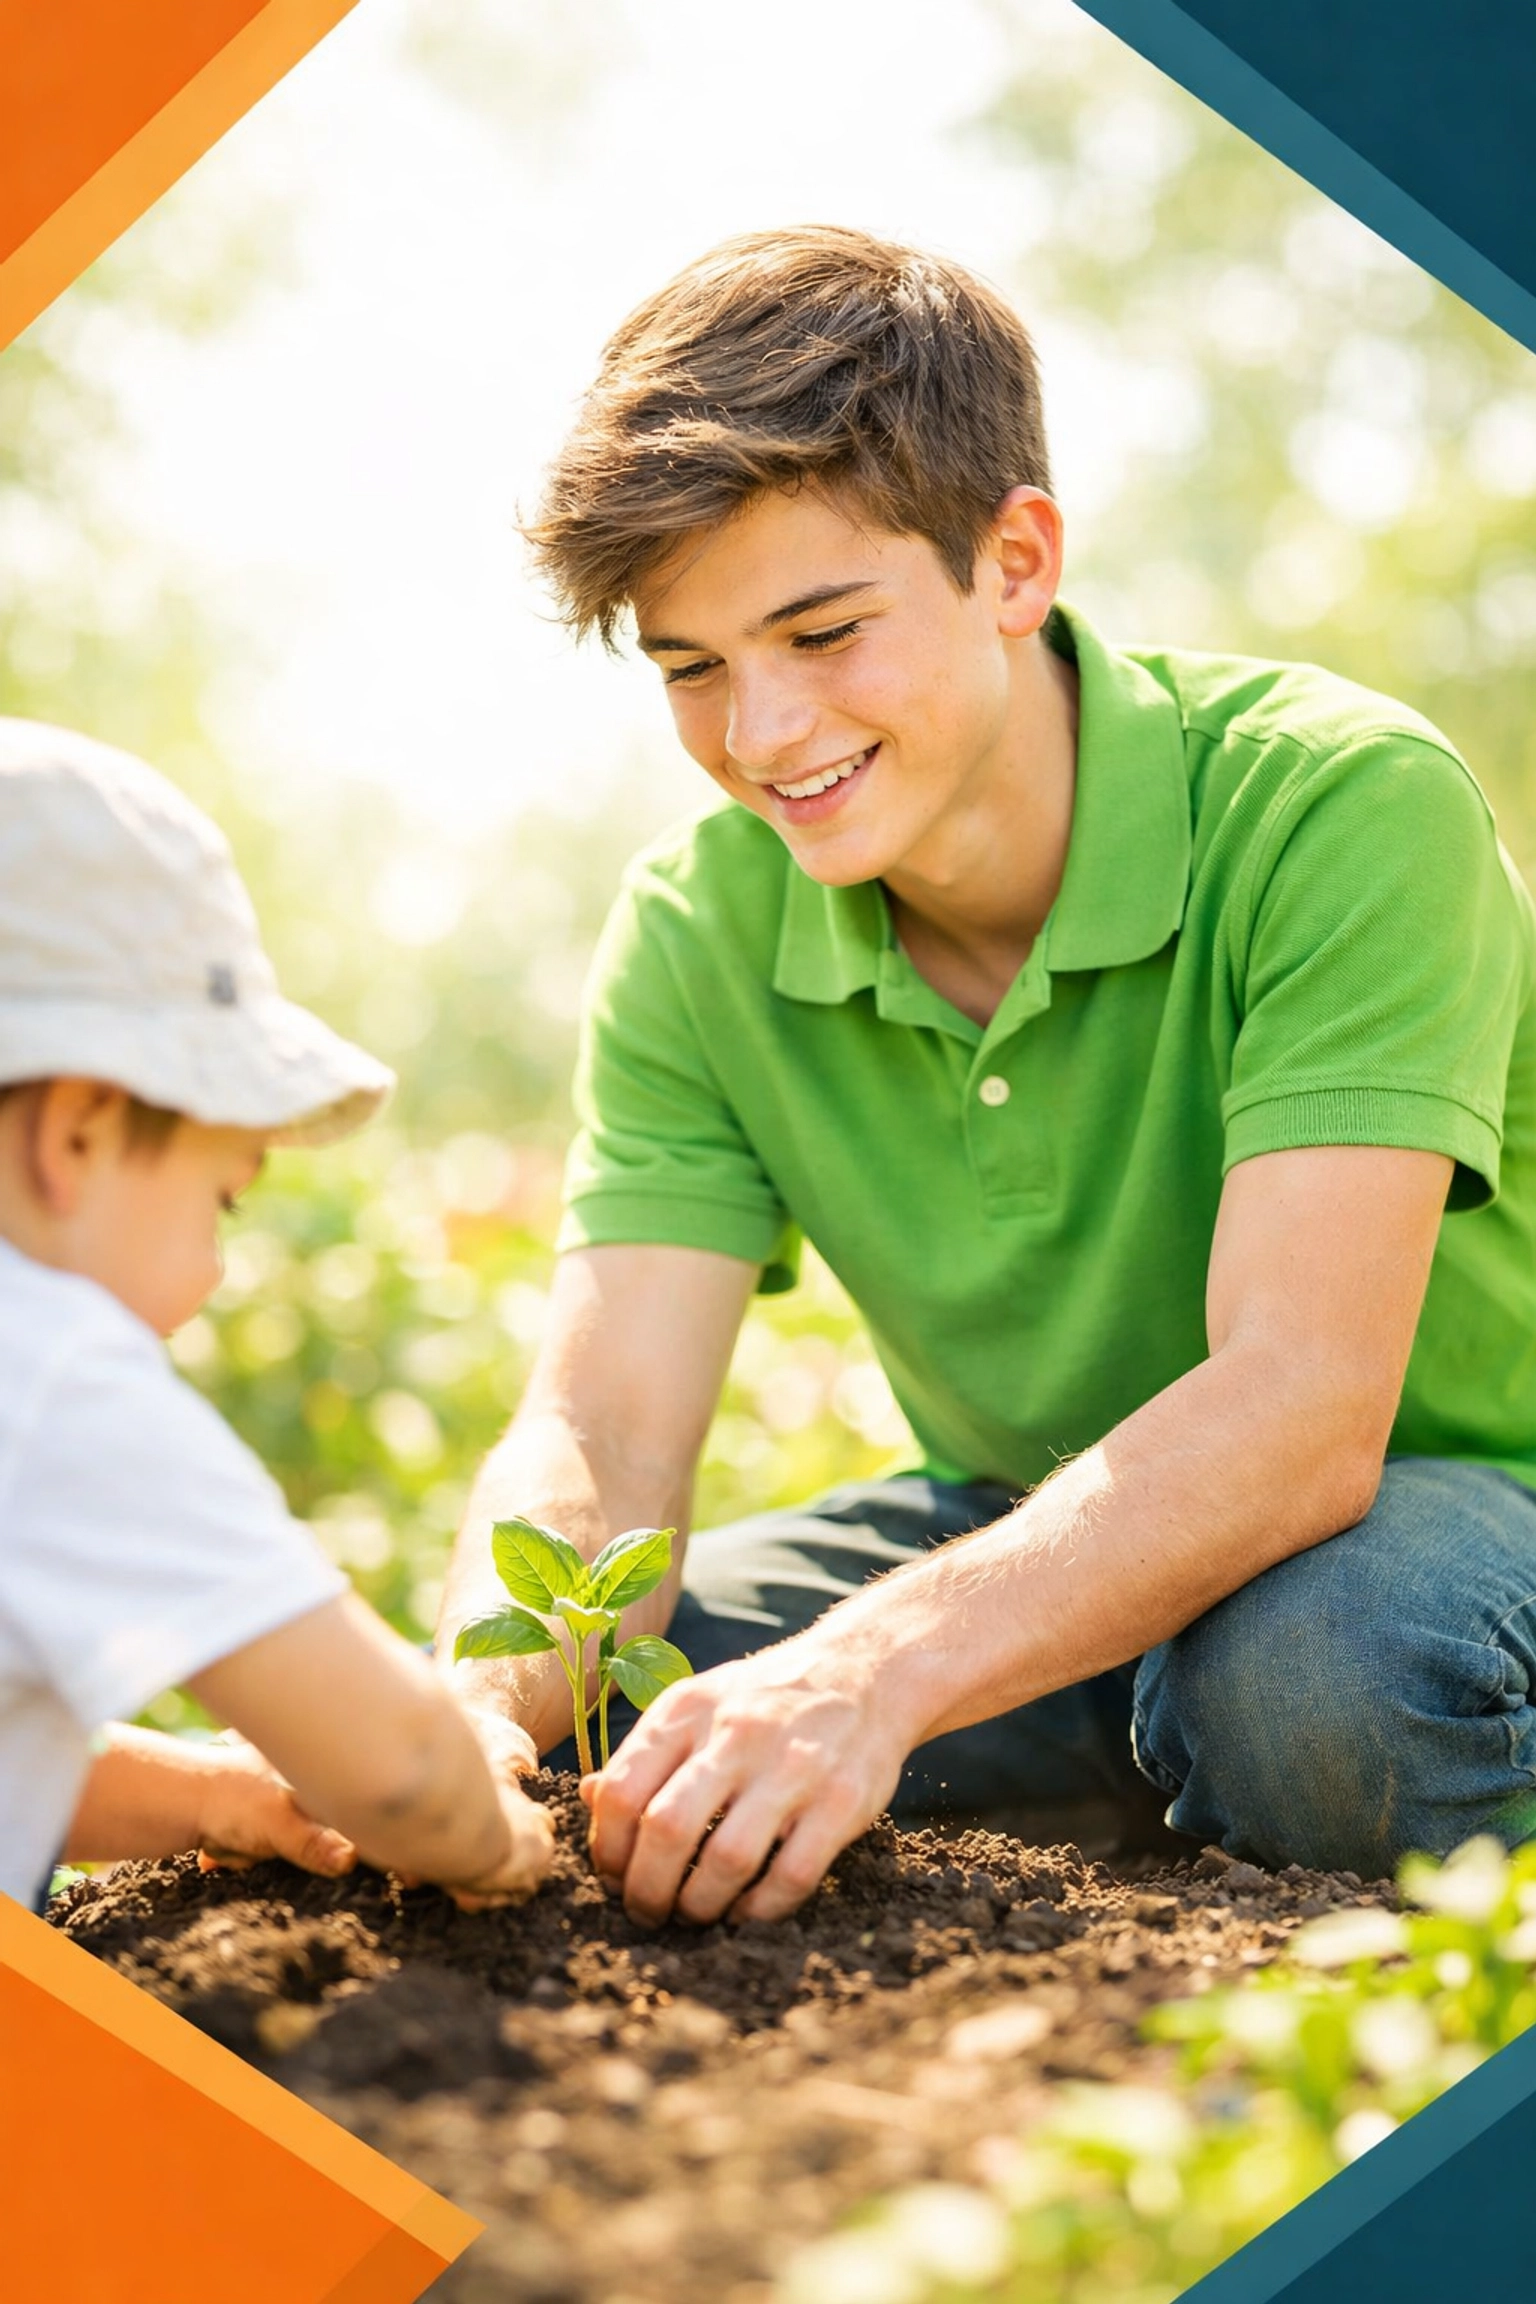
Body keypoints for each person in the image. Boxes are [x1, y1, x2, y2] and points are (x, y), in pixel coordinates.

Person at [440, 225, 1536, 1923]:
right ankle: (1142, 1753)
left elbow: (1306, 1411)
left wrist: (874, 1672)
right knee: (627, 1710)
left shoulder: (1338, 805)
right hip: (1034, 1529)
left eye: (820, 631)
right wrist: (476, 1703)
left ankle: (1182, 1746)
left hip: (1441, 1513)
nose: (763, 735)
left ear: (1013, 560)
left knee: (1326, 1685)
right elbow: (605, 1420)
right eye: (692, 668)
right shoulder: (694, 929)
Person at [0, 720, 554, 1917]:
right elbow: (398, 1764)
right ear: (78, 1135)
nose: (212, 1269)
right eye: (223, 1198)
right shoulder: (45, 1372)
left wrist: (209, 1796)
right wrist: (495, 1841)